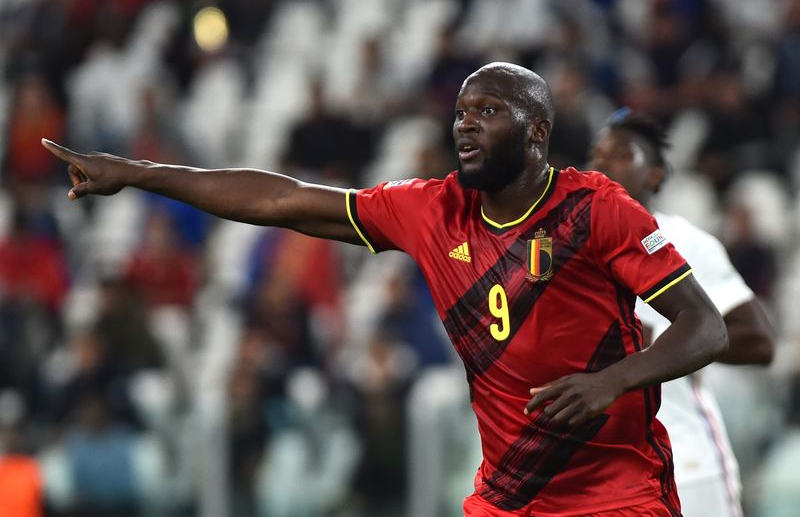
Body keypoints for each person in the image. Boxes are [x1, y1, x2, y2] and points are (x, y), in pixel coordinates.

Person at [42, 62, 728, 516]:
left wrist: (613, 382)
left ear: (537, 133)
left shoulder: (598, 211)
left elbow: (706, 326)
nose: (464, 122)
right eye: (461, 111)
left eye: (488, 111)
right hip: (509, 497)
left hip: (617, 494)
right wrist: (137, 172)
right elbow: (284, 200)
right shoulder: (430, 210)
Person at [589, 108, 774, 517]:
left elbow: (759, 341)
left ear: (655, 174)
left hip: (687, 463)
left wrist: (668, 344)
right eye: (597, 154)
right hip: (605, 471)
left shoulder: (682, 240)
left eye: (620, 154)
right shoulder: (574, 249)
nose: (601, 163)